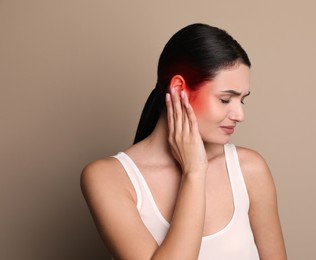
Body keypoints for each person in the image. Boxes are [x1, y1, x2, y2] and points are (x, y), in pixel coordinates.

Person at [81, 23, 287, 260]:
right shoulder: (109, 178)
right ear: (179, 88)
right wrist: (194, 172)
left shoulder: (250, 169)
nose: (240, 115)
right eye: (225, 99)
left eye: (242, 100)